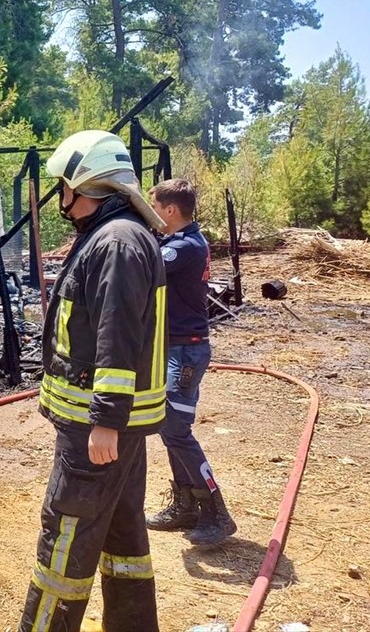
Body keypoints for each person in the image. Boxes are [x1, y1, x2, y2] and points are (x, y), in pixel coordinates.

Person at [18, 130, 168, 632]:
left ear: (90, 186)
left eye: (66, 186)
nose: (62, 197)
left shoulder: (117, 242)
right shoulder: (117, 236)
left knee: (65, 538)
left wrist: (105, 419)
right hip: (114, 428)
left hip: (96, 430)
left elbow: (117, 335)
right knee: (122, 535)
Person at [145, 179, 237, 546]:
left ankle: (217, 513)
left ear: (170, 210)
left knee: (176, 430)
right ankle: (185, 507)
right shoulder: (180, 243)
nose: (152, 214)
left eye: (153, 207)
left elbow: (143, 267)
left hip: (184, 351)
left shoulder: (183, 247)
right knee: (169, 429)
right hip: (175, 348)